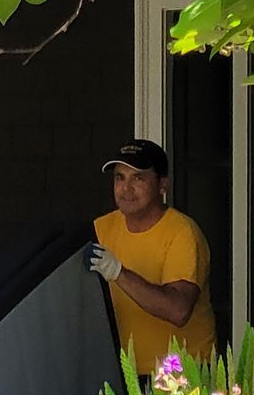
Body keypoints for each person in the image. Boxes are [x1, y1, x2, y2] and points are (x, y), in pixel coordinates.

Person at [87, 138, 217, 373]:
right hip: (125, 372)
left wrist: (118, 273)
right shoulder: (101, 228)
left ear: (162, 185)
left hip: (183, 373)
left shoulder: (182, 232)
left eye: (138, 178)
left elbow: (178, 310)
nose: (126, 188)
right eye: (120, 177)